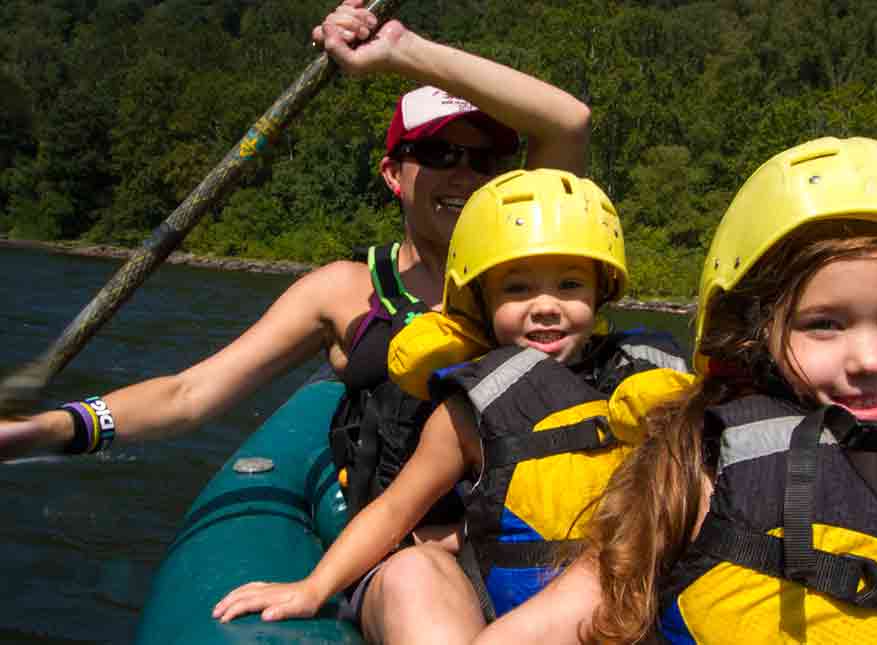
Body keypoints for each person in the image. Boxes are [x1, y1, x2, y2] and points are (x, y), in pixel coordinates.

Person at [0, 0, 587, 626]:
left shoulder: (523, 274)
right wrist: (45, 431)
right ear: (393, 173)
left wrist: (399, 50)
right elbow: (189, 393)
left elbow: (568, 122)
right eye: (438, 154)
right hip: (414, 554)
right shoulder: (344, 291)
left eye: (484, 158)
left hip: (535, 536)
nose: (464, 173)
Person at [472, 137, 877, 644]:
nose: (868, 360)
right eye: (824, 325)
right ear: (757, 335)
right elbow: (555, 620)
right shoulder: (701, 467)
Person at [212, 168, 691, 644]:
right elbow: (394, 510)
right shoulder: (468, 408)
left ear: (600, 291)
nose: (546, 306)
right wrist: (312, 588)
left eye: (569, 285)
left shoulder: (650, 387)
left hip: (616, 611)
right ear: (479, 301)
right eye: (517, 289)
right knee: (410, 571)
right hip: (494, 606)